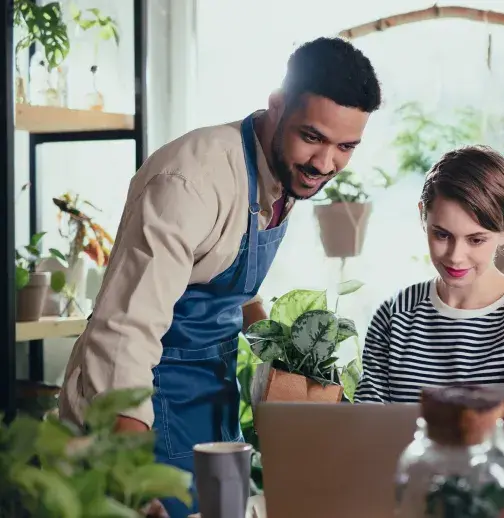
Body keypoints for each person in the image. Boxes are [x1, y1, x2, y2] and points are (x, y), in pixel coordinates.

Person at [58, 36, 382, 517]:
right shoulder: (191, 179)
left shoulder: (283, 173)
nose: (324, 163)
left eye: (346, 147)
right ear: (276, 104)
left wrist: (283, 357)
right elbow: (125, 332)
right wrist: (129, 477)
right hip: (144, 405)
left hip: (213, 400)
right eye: (312, 137)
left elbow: (229, 280)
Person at [354, 145, 504, 404]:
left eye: (475, 240)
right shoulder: (393, 315)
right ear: (423, 215)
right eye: (442, 235)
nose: (455, 256)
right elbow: (368, 425)